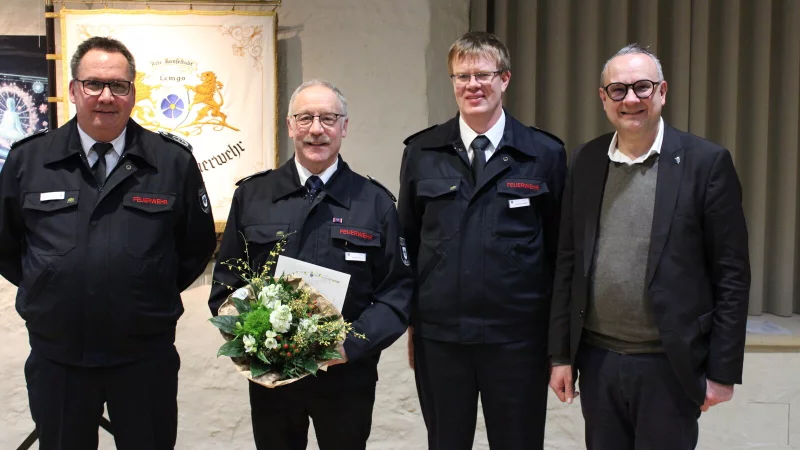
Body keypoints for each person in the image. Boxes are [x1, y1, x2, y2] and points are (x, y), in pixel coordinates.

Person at [0, 37, 217, 449]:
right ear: (73, 90)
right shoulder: (30, 159)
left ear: (133, 93)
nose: (105, 97)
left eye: (118, 86)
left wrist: (146, 286)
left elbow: (195, 246)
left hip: (143, 355)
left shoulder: (171, 161)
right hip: (58, 355)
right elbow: (7, 245)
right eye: (93, 84)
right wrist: (48, 282)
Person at [548, 44, 751, 450]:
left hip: (669, 366)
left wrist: (722, 371)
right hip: (598, 361)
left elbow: (731, 273)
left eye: (643, 87)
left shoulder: (705, 163)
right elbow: (568, 260)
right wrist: (560, 356)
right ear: (603, 98)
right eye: (619, 90)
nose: (632, 99)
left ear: (663, 91)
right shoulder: (585, 161)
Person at [209, 79, 413, 450]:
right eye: (305, 118)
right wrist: (256, 341)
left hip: (347, 376)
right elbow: (227, 284)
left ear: (344, 127)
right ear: (290, 126)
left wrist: (349, 345)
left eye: (328, 118)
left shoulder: (375, 203)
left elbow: (396, 293)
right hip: (273, 378)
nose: (316, 129)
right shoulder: (252, 196)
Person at [398, 31, 567, 450]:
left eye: (483, 74)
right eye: (461, 76)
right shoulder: (422, 152)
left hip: (517, 340)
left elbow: (561, 253)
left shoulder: (543, 153)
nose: (472, 85)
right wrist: (412, 325)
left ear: (505, 79)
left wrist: (558, 342)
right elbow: (407, 244)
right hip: (442, 340)